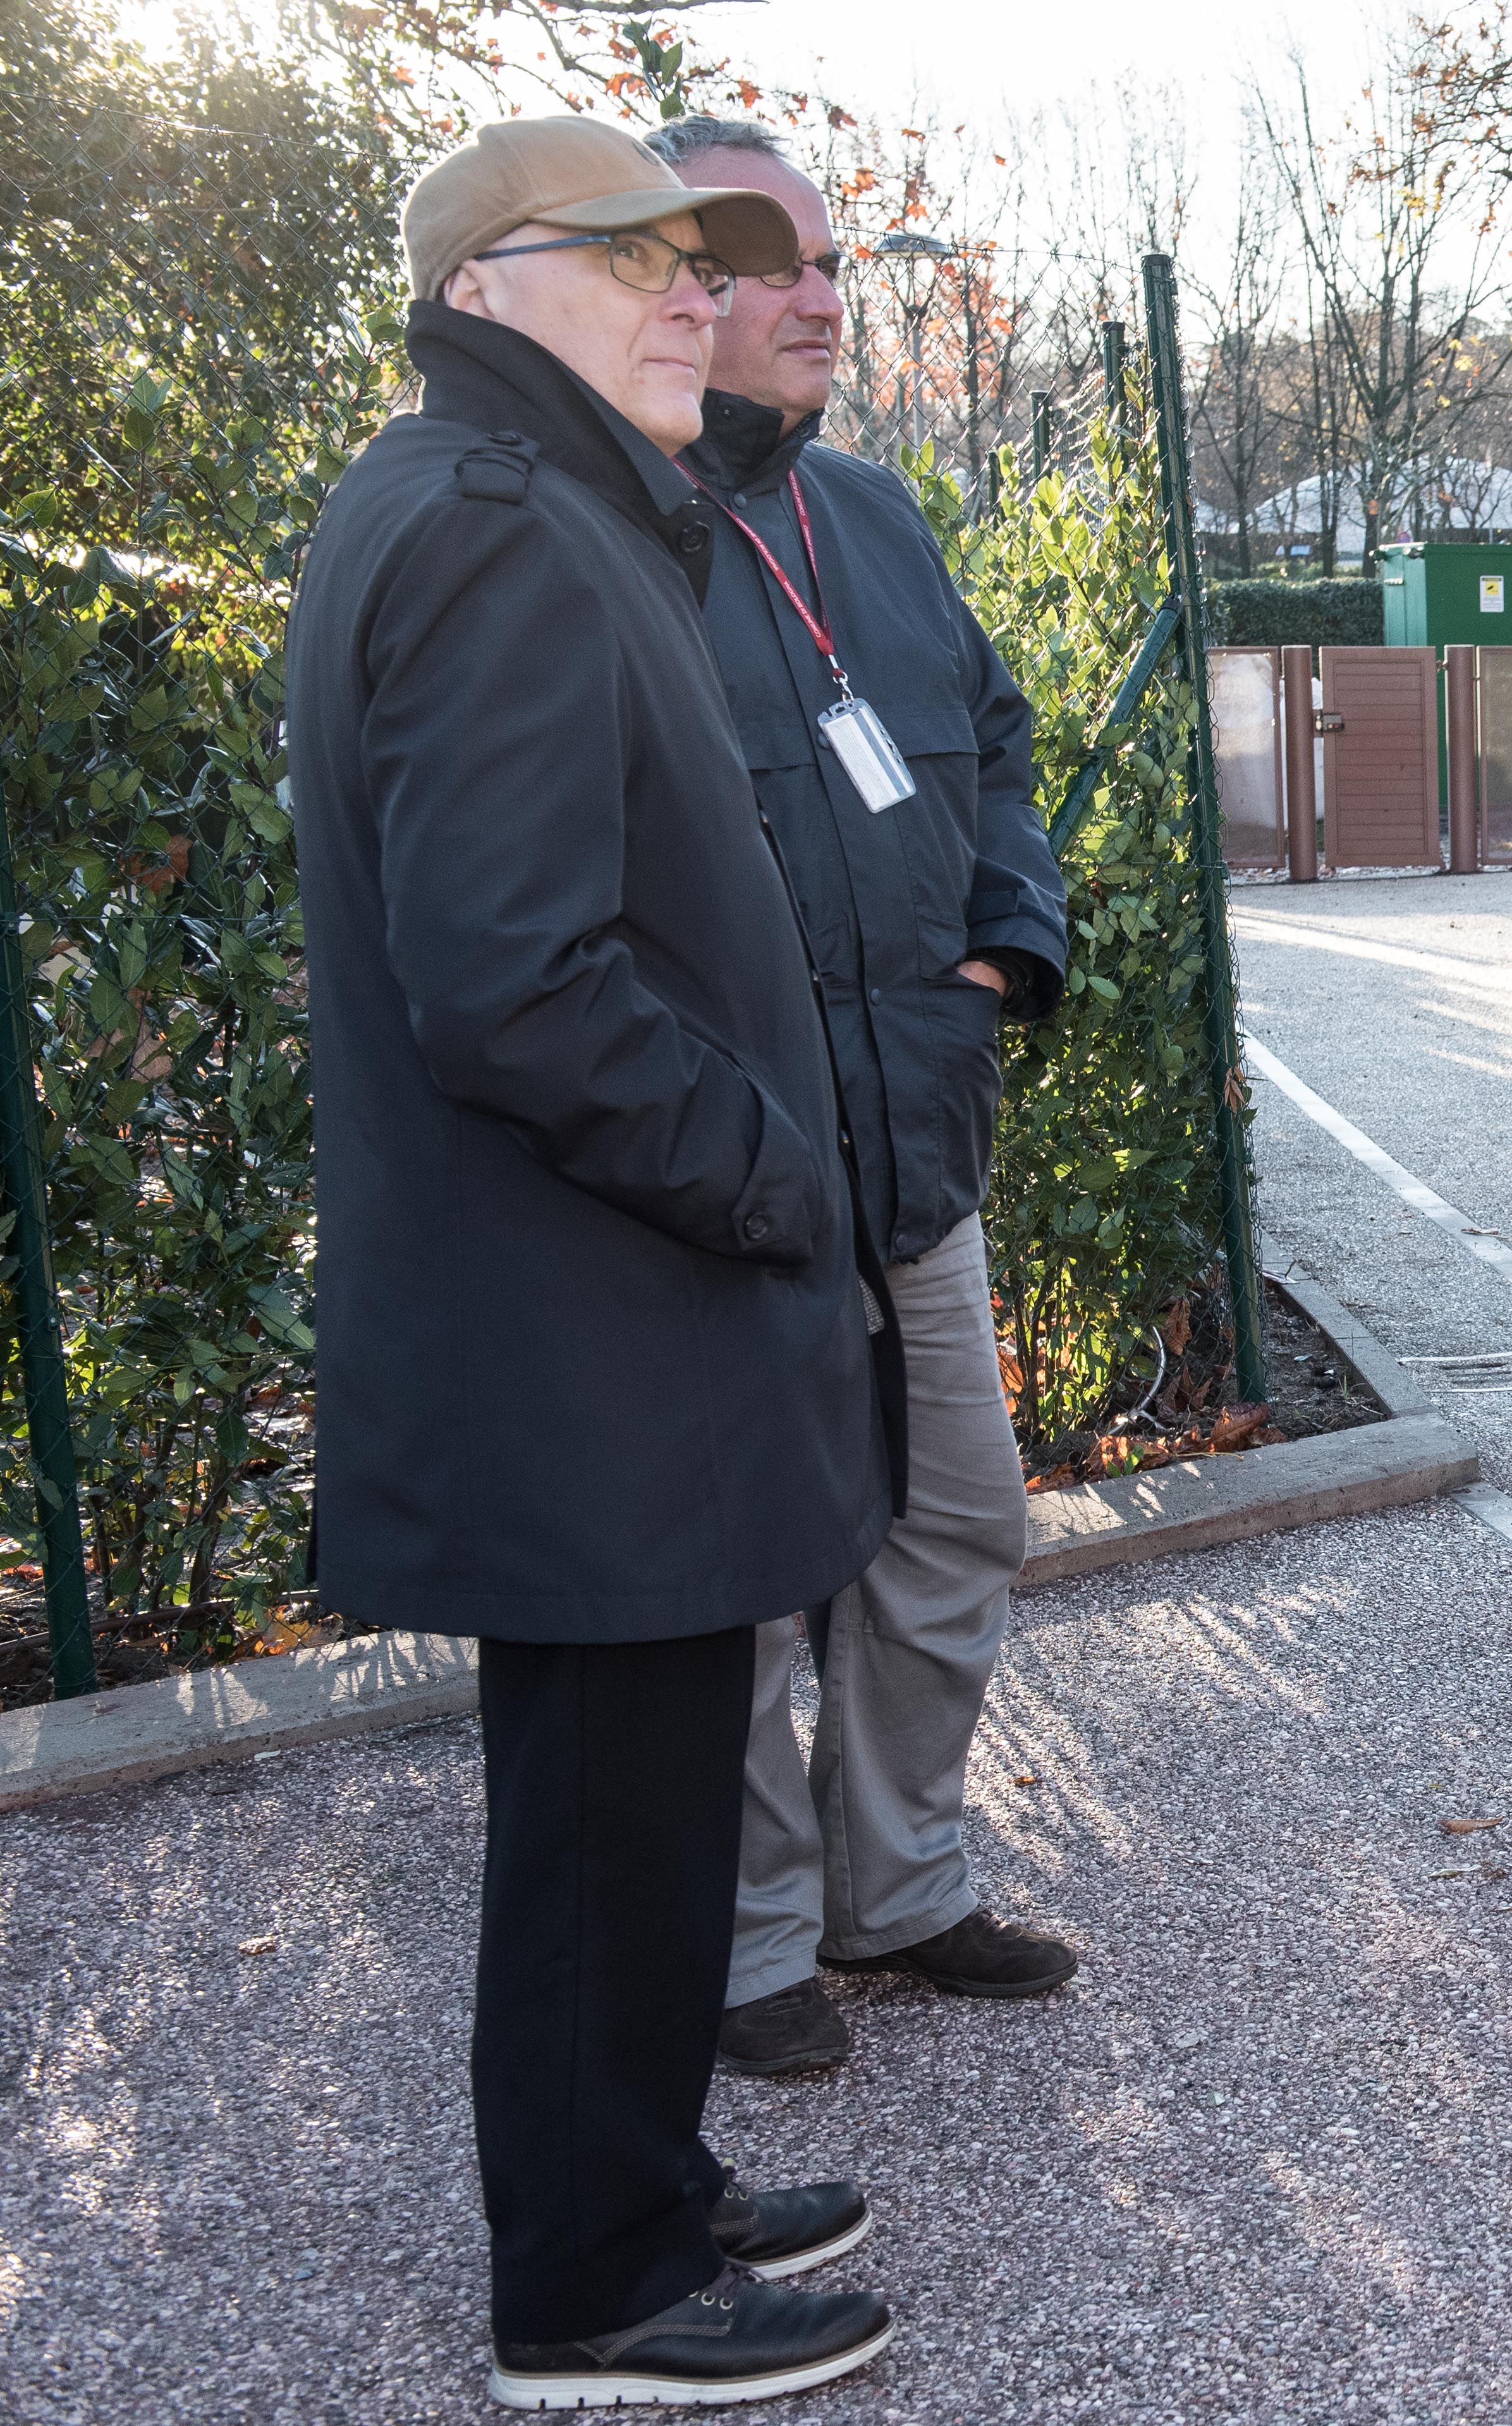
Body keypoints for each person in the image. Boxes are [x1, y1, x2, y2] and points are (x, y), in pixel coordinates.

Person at [283, 117, 899, 2406]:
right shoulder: (492, 527)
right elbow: (514, 977)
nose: (685, 290)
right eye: (625, 254)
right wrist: (770, 1169)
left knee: (633, 1800)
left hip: (602, 1313)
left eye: (698, 258)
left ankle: (634, 2169)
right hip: (598, 1317)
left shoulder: (535, 504)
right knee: (600, 1816)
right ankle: (595, 2279)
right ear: (475, 292)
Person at [635, 116, 1080, 2081]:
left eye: (838, 265)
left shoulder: (872, 517)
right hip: (717, 1175)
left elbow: (989, 741)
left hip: (917, 1137)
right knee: (736, 1567)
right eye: (778, 263)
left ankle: (890, 1888)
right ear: (671, 286)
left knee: (957, 1519)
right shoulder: (602, 530)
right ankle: (737, 1945)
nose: (825, 297)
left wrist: (1005, 959)